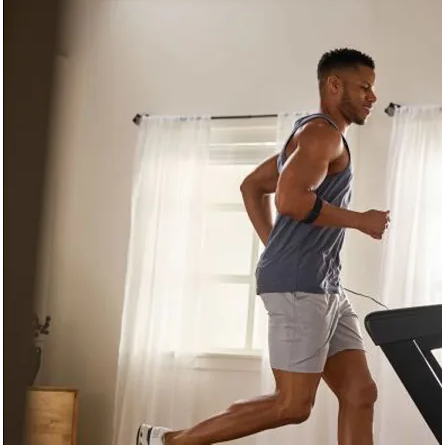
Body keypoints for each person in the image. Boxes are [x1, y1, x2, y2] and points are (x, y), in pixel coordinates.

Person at [137, 48, 389, 445]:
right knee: (293, 405)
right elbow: (290, 200)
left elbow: (252, 186)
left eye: (372, 88)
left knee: (360, 393)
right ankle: (168, 442)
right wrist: (360, 220)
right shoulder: (321, 135)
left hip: (326, 285)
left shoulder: (316, 138)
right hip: (301, 286)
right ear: (334, 85)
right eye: (364, 87)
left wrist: (277, 247)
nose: (372, 96)